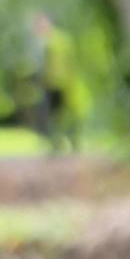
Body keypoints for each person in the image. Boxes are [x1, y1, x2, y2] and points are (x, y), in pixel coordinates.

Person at [31, 13, 81, 154]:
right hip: (54, 83)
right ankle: (59, 142)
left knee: (59, 114)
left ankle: (65, 142)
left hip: (57, 83)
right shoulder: (61, 39)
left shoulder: (50, 41)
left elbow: (44, 65)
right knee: (56, 115)